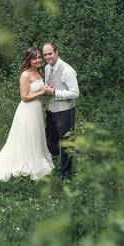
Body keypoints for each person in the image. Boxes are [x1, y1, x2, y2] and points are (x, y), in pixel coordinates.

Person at [0, 47, 54, 181]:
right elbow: (24, 97)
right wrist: (41, 92)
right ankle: (23, 161)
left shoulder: (39, 73)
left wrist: (47, 90)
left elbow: (37, 91)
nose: (38, 60)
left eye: (39, 57)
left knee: (34, 135)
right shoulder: (25, 75)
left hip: (36, 109)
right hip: (27, 110)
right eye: (34, 58)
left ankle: (34, 158)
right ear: (28, 60)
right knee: (26, 135)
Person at [42, 42, 79, 178]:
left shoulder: (67, 70)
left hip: (65, 111)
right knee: (50, 140)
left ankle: (66, 175)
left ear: (56, 52)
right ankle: (52, 166)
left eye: (50, 53)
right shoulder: (47, 68)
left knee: (66, 143)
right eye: (45, 54)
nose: (47, 57)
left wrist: (55, 92)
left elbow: (75, 93)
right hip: (51, 110)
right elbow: (49, 86)